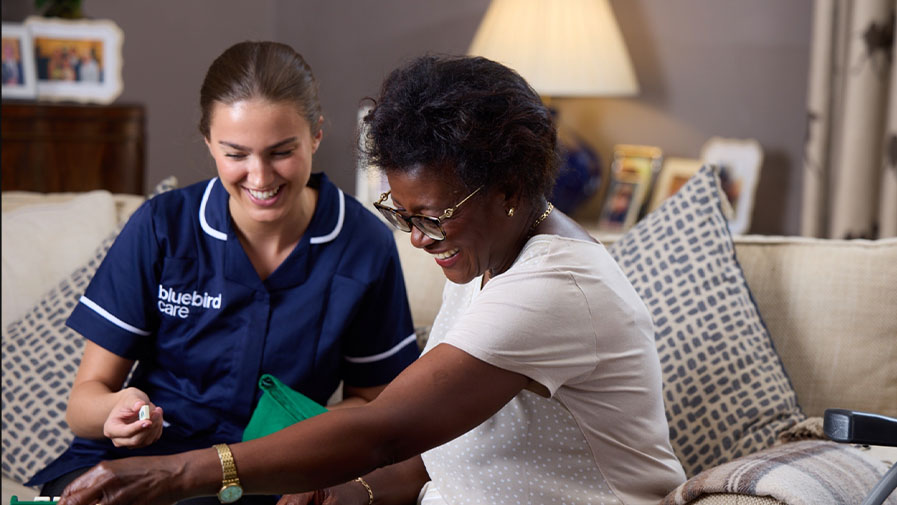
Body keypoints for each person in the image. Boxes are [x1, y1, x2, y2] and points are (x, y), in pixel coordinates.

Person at [58, 54, 686, 505]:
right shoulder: (485, 248)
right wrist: (348, 489)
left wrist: (177, 473)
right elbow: (433, 443)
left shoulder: (551, 288)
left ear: (510, 190)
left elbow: (386, 427)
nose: (417, 239)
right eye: (403, 216)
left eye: (431, 217)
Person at [29, 41, 419, 505]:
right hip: (134, 464)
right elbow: (83, 405)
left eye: (281, 151)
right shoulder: (162, 226)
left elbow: (374, 405)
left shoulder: (364, 245)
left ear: (316, 134)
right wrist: (118, 409)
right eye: (236, 154)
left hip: (266, 474)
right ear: (209, 142)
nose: (260, 177)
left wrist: (302, 451)